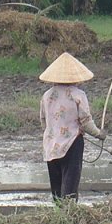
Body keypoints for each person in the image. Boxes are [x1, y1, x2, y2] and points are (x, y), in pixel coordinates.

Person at [38, 52, 107, 201]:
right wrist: (99, 134)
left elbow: (44, 121)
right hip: (72, 144)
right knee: (70, 185)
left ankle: (59, 213)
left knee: (56, 186)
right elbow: (86, 122)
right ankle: (69, 214)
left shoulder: (46, 96)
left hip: (51, 145)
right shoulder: (78, 95)